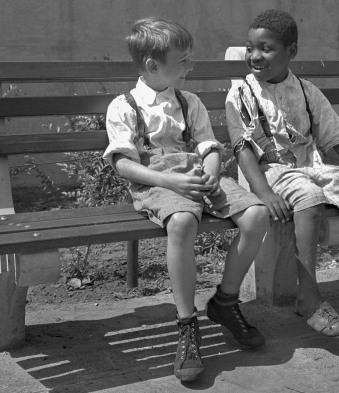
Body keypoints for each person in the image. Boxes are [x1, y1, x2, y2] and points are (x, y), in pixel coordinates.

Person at [104, 17, 269, 382]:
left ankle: (225, 303)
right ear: (152, 66)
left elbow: (209, 146)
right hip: (157, 180)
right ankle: (186, 325)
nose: (190, 66)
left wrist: (211, 170)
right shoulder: (124, 106)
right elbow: (123, 164)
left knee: (256, 215)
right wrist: (168, 180)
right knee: (182, 221)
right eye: (183, 61)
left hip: (196, 173)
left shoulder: (188, 101)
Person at [225, 9, 339, 338]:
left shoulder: (308, 91)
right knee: (308, 197)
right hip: (271, 170)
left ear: (290, 52)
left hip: (313, 165)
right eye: (250, 48)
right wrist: (264, 194)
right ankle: (308, 298)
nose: (255, 56)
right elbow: (243, 148)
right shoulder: (242, 94)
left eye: (266, 49)